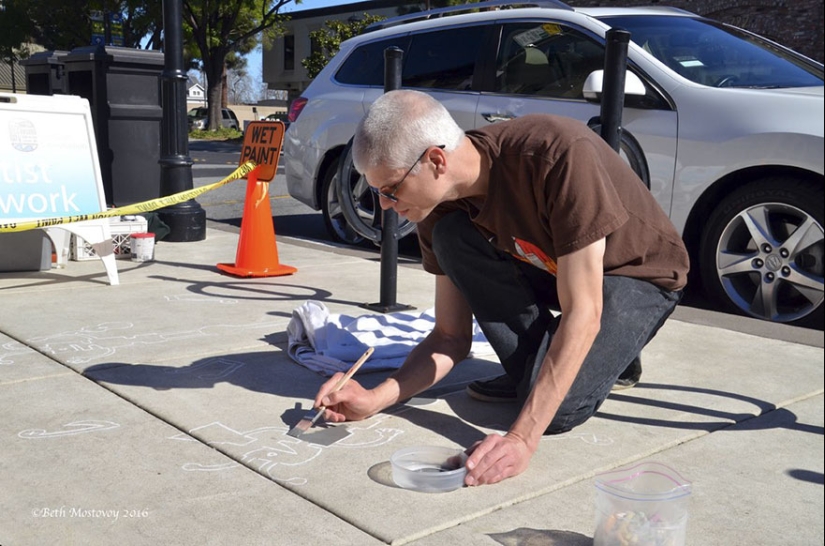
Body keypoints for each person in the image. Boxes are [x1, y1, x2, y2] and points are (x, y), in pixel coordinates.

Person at [313, 89, 689, 487]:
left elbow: (584, 312)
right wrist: (374, 398)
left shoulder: (556, 155)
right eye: (378, 193)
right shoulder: (436, 207)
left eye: (391, 189)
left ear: (436, 160)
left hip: (637, 273)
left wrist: (521, 439)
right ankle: (595, 354)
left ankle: (615, 346)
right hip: (553, 266)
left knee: (554, 413)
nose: (385, 205)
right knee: (452, 237)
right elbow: (449, 337)